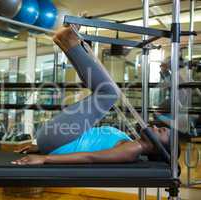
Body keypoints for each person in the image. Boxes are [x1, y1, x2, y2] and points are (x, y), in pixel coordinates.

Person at [12, 25, 170, 165]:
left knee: (109, 93)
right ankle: (66, 43)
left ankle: (69, 43)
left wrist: (45, 158)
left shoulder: (134, 149)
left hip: (59, 142)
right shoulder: (131, 142)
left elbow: (90, 157)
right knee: (103, 91)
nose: (155, 127)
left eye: (161, 131)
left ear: (159, 149)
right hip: (57, 140)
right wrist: (41, 147)